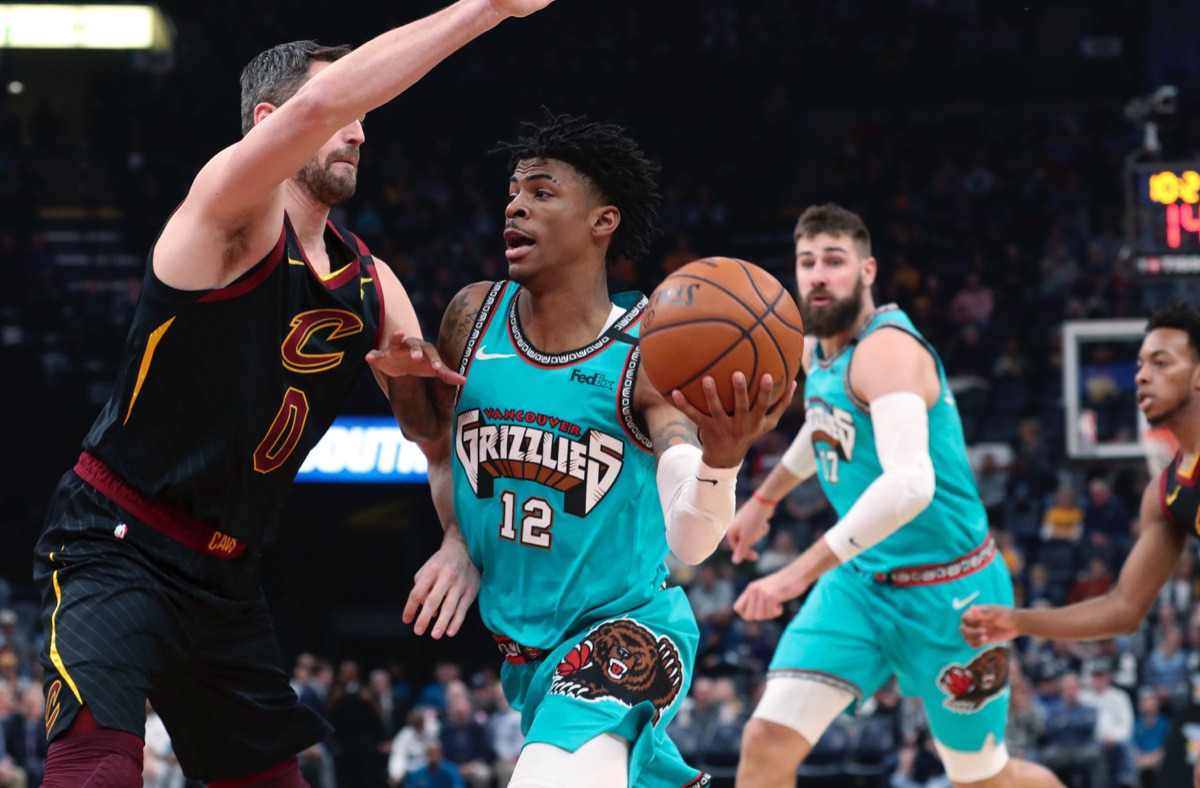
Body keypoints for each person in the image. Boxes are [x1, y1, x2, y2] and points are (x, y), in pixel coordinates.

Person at [32, 1, 556, 785]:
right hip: (118, 541)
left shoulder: (376, 289)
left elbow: (439, 442)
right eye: (348, 112)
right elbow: (324, 104)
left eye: (362, 121)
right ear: (270, 122)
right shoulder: (226, 212)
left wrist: (456, 539)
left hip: (226, 576)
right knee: (100, 770)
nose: (359, 131)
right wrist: (485, 9)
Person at [419, 111, 790, 787]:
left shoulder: (649, 351)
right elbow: (443, 454)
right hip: (529, 663)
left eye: (541, 191)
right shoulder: (471, 319)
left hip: (630, 637)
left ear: (602, 222)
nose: (516, 205)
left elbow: (691, 538)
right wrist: (454, 538)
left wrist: (723, 462)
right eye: (512, 192)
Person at [728, 204, 1060, 787]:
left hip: (952, 593)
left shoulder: (888, 350)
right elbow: (826, 425)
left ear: (867, 271)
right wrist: (765, 499)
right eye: (808, 262)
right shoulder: (815, 348)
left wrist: (794, 574)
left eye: (835, 260)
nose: (819, 275)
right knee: (765, 740)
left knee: (982, 778)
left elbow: (910, 486)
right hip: (861, 586)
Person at [961, 300, 1200, 786]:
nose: (1141, 376)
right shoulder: (1169, 490)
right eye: (1138, 365)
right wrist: (1017, 622)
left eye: (1161, 363)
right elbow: (1122, 610)